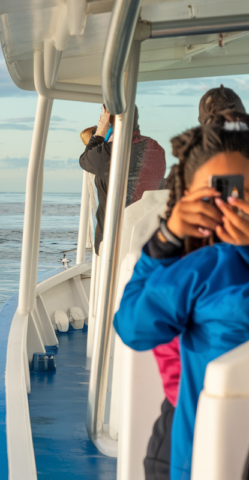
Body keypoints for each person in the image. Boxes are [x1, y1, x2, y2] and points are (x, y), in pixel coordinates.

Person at [114, 110, 249, 480]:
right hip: (198, 438)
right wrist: (164, 242)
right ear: (188, 197)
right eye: (217, 192)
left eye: (244, 192)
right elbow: (134, 327)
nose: (232, 204)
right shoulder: (196, 268)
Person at [80, 105, 166, 254]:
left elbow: (85, 160)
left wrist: (101, 130)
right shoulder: (155, 147)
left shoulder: (112, 151)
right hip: (148, 235)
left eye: (103, 116)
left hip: (115, 239)